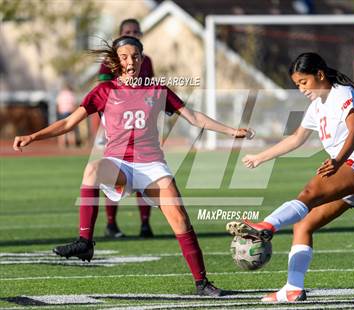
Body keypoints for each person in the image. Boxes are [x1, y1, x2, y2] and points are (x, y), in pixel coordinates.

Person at [13, 36, 253, 296]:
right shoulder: (103, 92)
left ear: (142, 59)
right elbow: (68, 123)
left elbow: (193, 117)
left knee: (180, 220)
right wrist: (33, 136)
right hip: (119, 165)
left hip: (152, 166)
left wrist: (231, 130)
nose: (131, 61)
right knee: (92, 169)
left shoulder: (157, 89)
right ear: (116, 61)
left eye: (135, 56)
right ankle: (85, 241)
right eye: (125, 56)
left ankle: (202, 283)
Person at [226, 52, 354, 302]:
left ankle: (266, 225)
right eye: (297, 85)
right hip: (350, 167)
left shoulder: (342, 93)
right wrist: (261, 157)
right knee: (304, 224)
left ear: (320, 75)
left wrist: (339, 160)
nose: (301, 89)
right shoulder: (315, 106)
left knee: (308, 194)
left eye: (304, 82)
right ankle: (292, 289)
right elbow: (296, 139)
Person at [98, 18, 155, 239]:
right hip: (115, 127)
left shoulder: (146, 61)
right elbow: (102, 91)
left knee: (144, 174)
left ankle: (144, 224)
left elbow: (151, 92)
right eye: (127, 31)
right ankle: (111, 224)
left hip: (140, 126)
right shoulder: (109, 61)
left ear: (140, 34)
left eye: (135, 31)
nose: (131, 33)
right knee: (111, 176)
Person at [56, 83, 79, 148]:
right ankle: (72, 144)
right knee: (71, 130)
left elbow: (58, 105)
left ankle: (62, 145)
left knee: (61, 129)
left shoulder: (61, 94)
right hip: (70, 112)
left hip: (62, 112)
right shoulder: (71, 94)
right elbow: (74, 105)